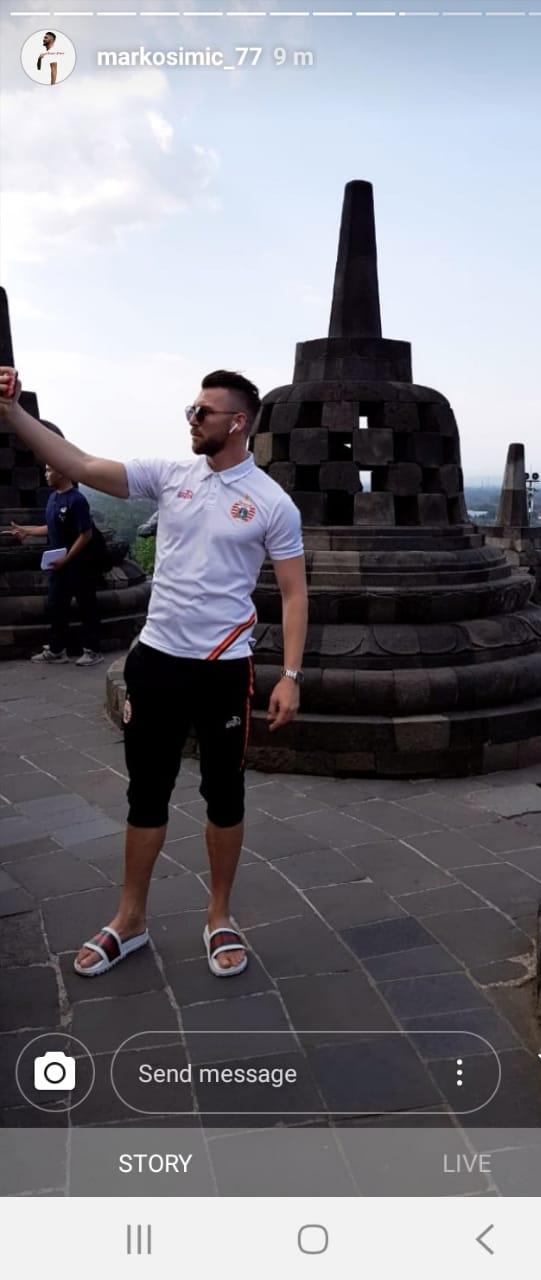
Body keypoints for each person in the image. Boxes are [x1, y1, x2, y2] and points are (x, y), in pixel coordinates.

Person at [0, 366, 308, 979]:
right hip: (156, 661)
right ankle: (130, 918)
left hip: (223, 668)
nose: (191, 420)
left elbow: (296, 595)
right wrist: (11, 414)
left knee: (225, 794)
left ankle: (220, 915)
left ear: (238, 423)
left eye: (203, 413)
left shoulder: (271, 503)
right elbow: (81, 464)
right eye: (190, 410)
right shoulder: (172, 478)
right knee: (147, 793)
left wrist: (292, 674)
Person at [10, 463, 104, 667]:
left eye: (49, 470)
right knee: (56, 606)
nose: (45, 474)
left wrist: (68, 558)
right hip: (58, 564)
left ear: (62, 472)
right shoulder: (53, 498)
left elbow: (85, 534)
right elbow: (50, 527)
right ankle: (57, 650)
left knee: (86, 605)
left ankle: (92, 650)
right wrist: (27, 531)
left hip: (78, 564)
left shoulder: (77, 499)